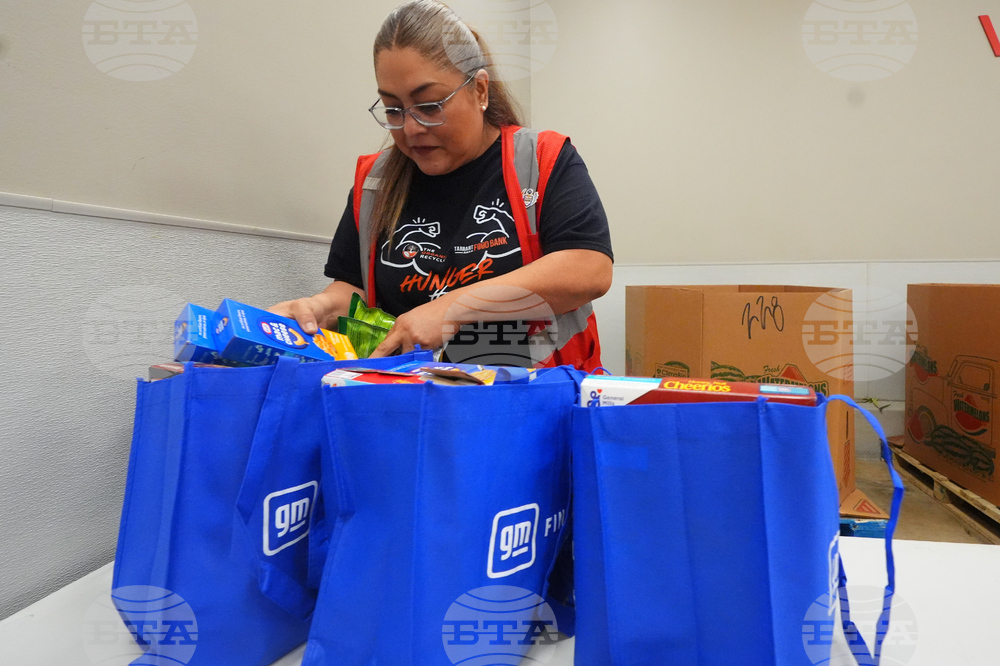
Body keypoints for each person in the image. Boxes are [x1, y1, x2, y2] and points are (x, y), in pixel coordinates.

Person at [272, 0, 613, 371]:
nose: (411, 128)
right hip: (410, 403)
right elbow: (353, 289)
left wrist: (449, 310)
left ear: (480, 90)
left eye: (430, 105)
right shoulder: (375, 183)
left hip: (528, 402)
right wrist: (319, 308)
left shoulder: (541, 160)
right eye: (393, 109)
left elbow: (587, 270)